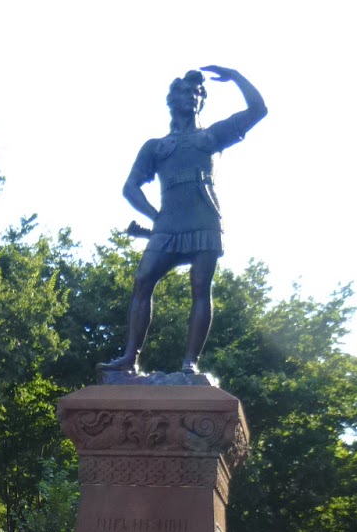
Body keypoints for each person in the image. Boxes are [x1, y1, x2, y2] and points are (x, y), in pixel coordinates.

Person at [103, 64, 267, 376]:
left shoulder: (212, 136)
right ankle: (129, 358)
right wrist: (155, 216)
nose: (191, 97)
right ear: (172, 100)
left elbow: (258, 109)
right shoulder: (156, 146)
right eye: (185, 92)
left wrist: (234, 75)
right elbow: (130, 187)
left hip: (204, 218)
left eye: (197, 93)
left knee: (200, 286)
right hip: (168, 223)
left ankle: (190, 361)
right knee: (142, 281)